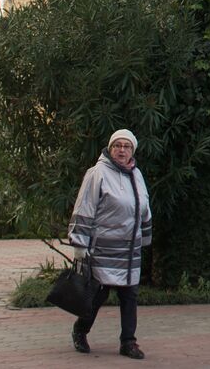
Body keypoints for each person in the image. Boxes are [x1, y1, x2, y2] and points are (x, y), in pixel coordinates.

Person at [67, 129, 152, 359]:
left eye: (126, 146)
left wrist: (145, 238)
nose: (121, 150)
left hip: (129, 250)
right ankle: (80, 330)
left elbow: (144, 208)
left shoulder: (137, 175)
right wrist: (79, 244)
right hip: (104, 247)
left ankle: (128, 343)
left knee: (130, 295)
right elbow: (84, 207)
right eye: (117, 145)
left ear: (132, 150)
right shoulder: (97, 173)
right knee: (98, 295)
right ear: (110, 148)